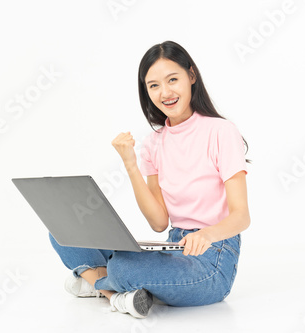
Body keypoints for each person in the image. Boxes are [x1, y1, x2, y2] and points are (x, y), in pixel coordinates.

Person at [49, 40, 251, 319]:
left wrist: (207, 234)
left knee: (123, 267)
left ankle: (99, 283)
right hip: (173, 248)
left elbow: (241, 217)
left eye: (173, 80)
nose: (165, 92)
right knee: (64, 232)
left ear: (191, 76)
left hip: (212, 259)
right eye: (154, 85)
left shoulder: (221, 131)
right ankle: (118, 294)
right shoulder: (154, 143)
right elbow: (159, 223)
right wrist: (131, 164)